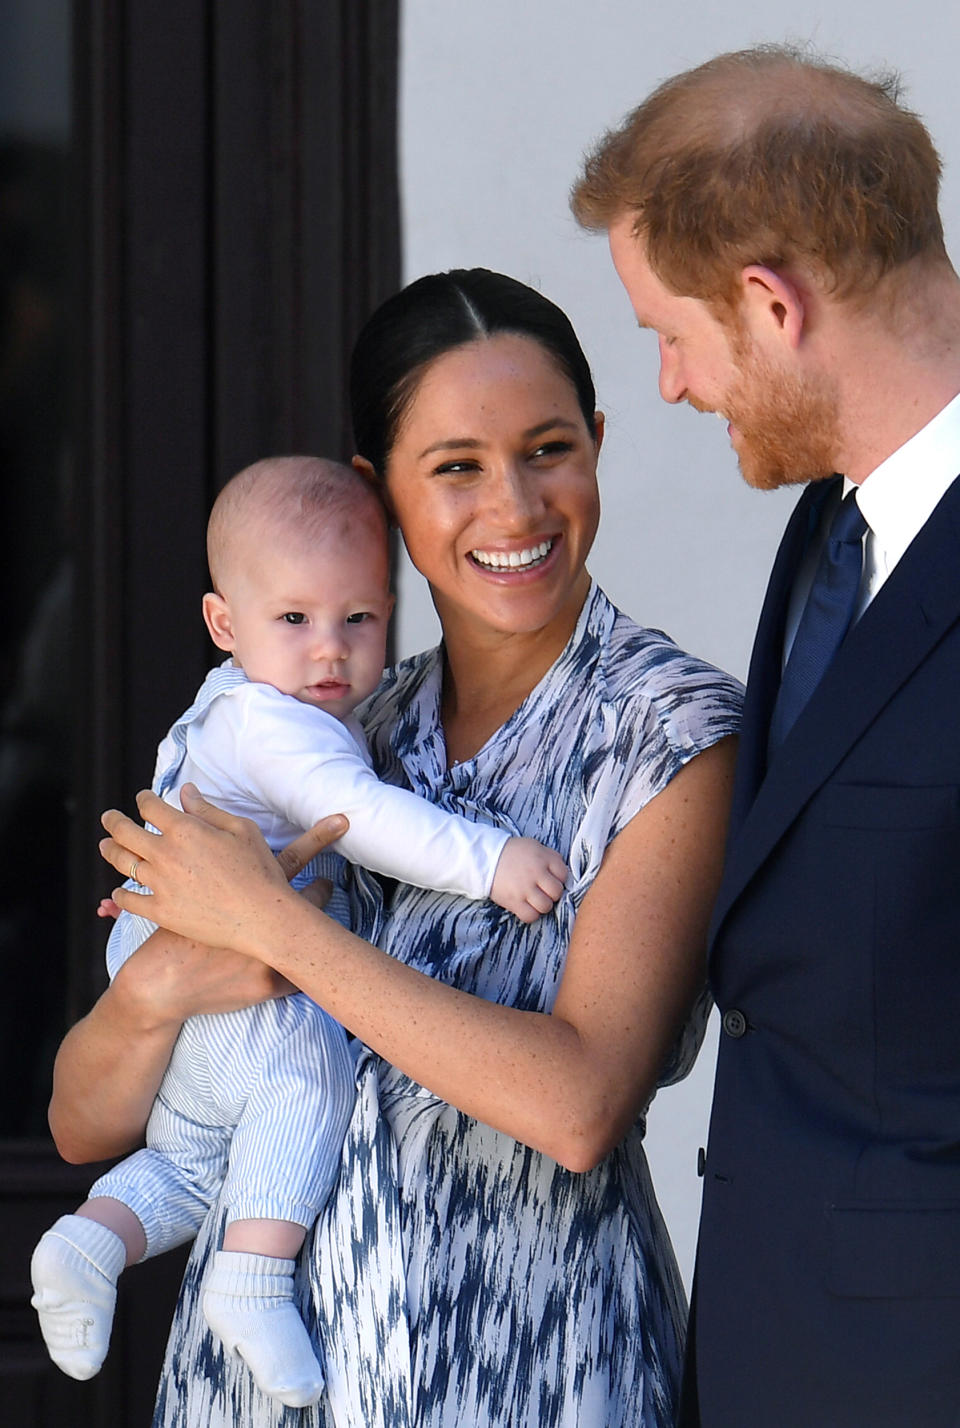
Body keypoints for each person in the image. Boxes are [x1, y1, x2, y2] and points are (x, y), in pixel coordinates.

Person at [62, 268, 741, 1427]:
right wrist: (162, 983)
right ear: (380, 495)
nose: (516, 507)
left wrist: (270, 924)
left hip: (526, 1363)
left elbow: (579, 1106)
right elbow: (85, 1121)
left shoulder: (668, 731)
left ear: (598, 444)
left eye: (549, 449)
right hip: (269, 1382)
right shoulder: (330, 729)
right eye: (457, 466)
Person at [571, 42, 960, 1428]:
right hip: (771, 1361)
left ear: (768, 303)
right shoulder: (824, 535)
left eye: (669, 336)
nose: (672, 386)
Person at [32, 453, 566, 1409]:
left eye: (359, 619)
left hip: (185, 966)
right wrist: (493, 863)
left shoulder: (242, 704)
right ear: (224, 625)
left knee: (195, 1156)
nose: (332, 650)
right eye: (295, 620)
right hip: (221, 962)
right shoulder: (280, 727)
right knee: (311, 1065)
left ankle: (88, 1242)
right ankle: (253, 1280)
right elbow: (359, 815)